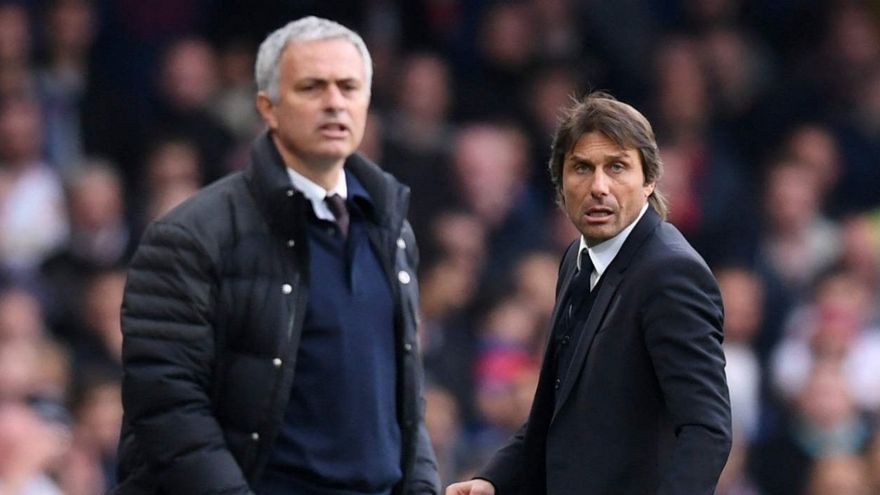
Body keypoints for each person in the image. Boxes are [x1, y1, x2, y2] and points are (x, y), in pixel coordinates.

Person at [113, 16, 440, 494]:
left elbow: (407, 400)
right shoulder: (189, 237)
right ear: (267, 107)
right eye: (312, 87)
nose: (334, 102)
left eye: (349, 87)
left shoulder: (393, 233)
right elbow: (168, 407)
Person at [447, 92, 731, 495]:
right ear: (560, 182)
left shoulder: (671, 274)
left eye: (617, 167)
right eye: (582, 167)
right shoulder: (575, 259)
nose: (599, 186)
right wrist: (492, 480)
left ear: (649, 180)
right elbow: (556, 413)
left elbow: (706, 429)